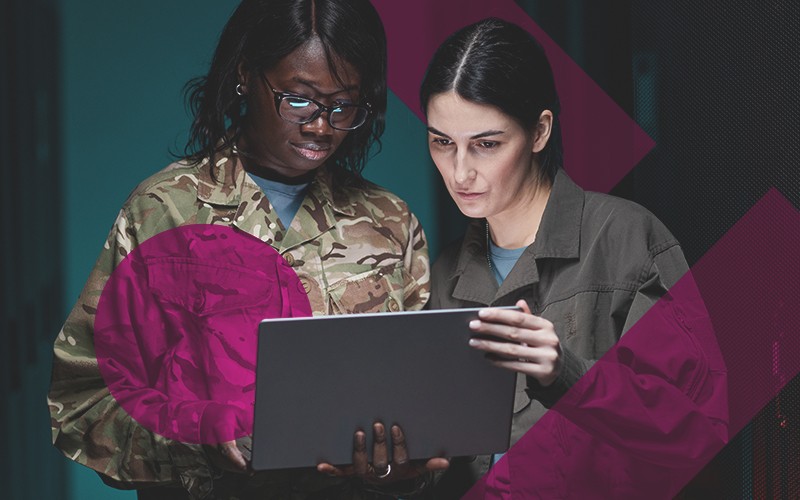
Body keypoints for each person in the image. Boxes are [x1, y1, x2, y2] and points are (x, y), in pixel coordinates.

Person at [47, 1, 441, 498]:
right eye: (299, 99)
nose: (321, 127)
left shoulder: (390, 223)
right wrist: (199, 437)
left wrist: (399, 466)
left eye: (343, 106)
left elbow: (429, 408)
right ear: (245, 75)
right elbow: (84, 402)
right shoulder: (166, 211)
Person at [420, 18, 728, 497]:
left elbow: (698, 433)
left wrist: (567, 373)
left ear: (540, 131)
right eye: (443, 142)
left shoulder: (628, 240)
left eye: (486, 145)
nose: (461, 171)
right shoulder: (443, 274)